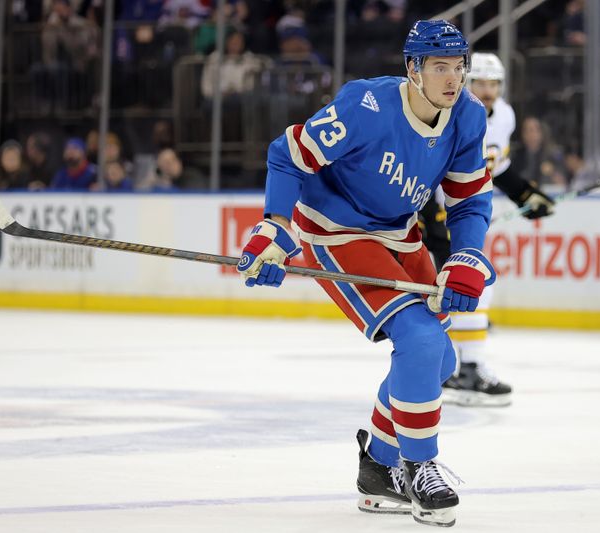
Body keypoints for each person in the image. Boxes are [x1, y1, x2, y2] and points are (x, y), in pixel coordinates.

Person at [236, 20, 493, 527]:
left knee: (439, 359)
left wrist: (466, 255)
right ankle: (420, 467)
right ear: (412, 69)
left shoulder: (467, 115)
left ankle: (378, 466)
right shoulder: (366, 106)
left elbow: (469, 199)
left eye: (459, 68)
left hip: (398, 231)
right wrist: (275, 226)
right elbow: (288, 155)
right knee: (418, 343)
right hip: (338, 230)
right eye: (440, 67)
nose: (453, 79)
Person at [419, 53, 554, 408]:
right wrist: (431, 216)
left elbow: (497, 164)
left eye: (493, 84)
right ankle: (465, 369)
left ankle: (453, 369)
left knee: (462, 288)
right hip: (435, 210)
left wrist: (525, 192)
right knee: (465, 288)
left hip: (466, 212)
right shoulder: (449, 112)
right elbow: (425, 165)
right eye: (480, 82)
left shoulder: (505, 115)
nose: (488, 90)